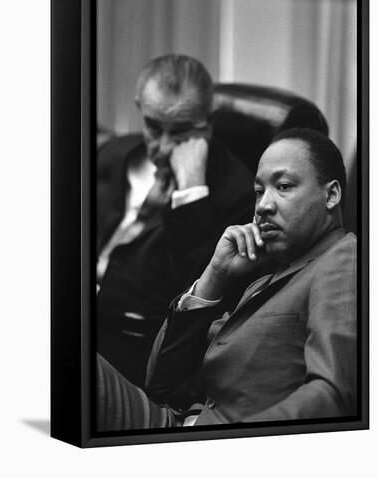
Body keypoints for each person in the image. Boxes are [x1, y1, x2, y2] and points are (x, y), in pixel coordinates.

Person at [96, 127, 357, 430]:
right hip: (172, 421)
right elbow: (159, 384)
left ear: (331, 195)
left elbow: (333, 393)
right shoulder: (263, 276)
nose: (263, 206)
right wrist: (214, 275)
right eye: (259, 191)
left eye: (283, 186)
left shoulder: (343, 258)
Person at [96, 55, 254, 386]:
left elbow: (203, 302)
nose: (164, 148)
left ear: (207, 123)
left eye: (182, 132)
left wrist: (192, 192)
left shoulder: (238, 193)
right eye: (154, 127)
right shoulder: (111, 156)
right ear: (140, 108)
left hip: (134, 356)